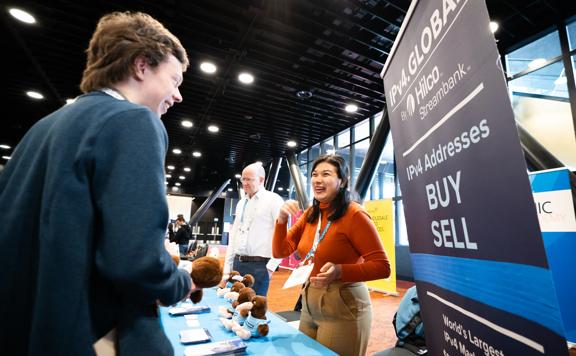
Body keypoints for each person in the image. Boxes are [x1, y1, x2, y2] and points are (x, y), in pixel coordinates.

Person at [0, 11, 192, 356]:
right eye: (175, 80)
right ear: (142, 65)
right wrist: (179, 282)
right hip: (91, 330)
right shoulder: (134, 121)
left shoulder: (43, 128)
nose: (177, 96)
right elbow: (134, 261)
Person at [273, 154, 391, 356]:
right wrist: (282, 219)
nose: (317, 179)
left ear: (342, 181)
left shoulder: (355, 215)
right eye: (314, 174)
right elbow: (280, 251)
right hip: (309, 302)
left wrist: (339, 271)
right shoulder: (312, 213)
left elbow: (382, 266)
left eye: (326, 174)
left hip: (343, 305)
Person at [223, 162, 284, 296]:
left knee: (254, 309)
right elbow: (234, 236)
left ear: (261, 180)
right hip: (238, 264)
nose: (244, 183)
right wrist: (227, 267)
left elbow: (283, 235)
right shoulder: (241, 203)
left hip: (260, 266)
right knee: (233, 305)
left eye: (249, 179)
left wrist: (270, 267)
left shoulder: (274, 200)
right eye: (243, 179)